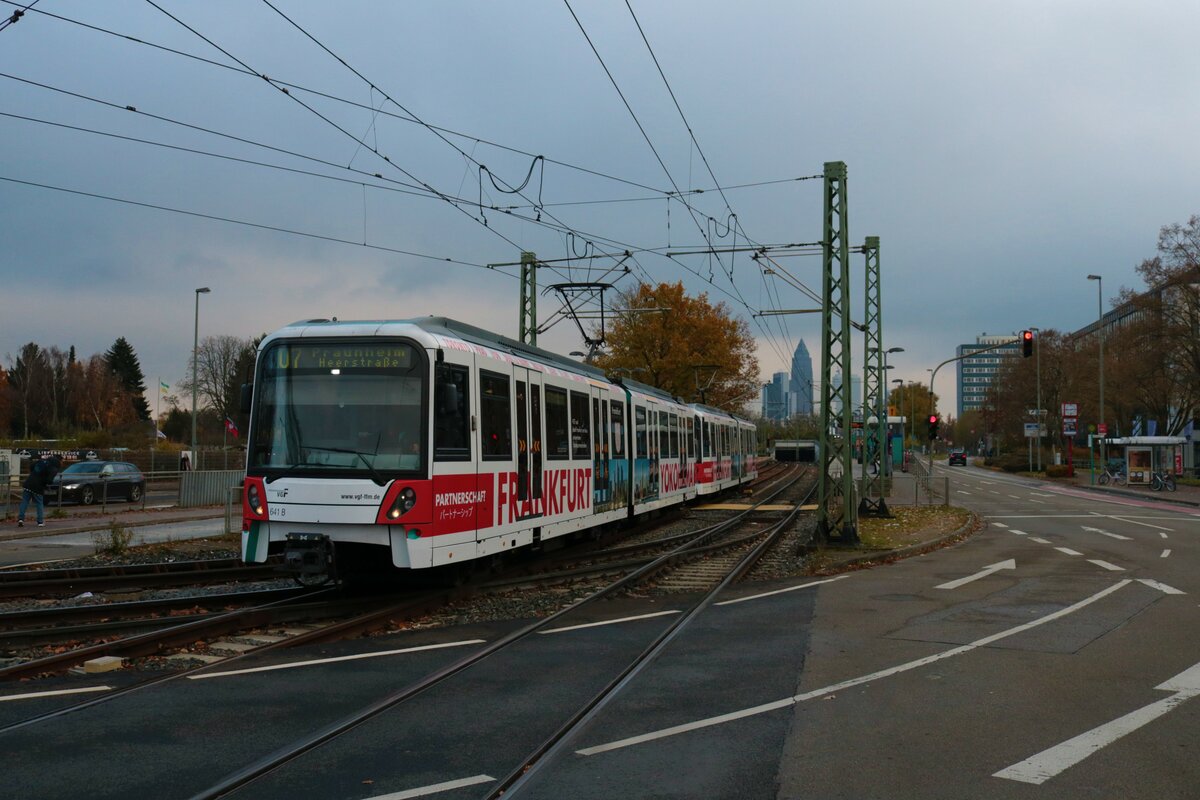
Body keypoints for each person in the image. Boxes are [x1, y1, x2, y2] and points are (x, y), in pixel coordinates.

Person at [18, 455, 61, 528]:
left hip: (29, 483)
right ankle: (40, 521)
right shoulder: (53, 468)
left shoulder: (41, 462)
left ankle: (20, 519)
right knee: (39, 503)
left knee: (25, 501)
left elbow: (32, 467)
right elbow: (49, 480)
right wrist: (46, 483)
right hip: (38, 487)